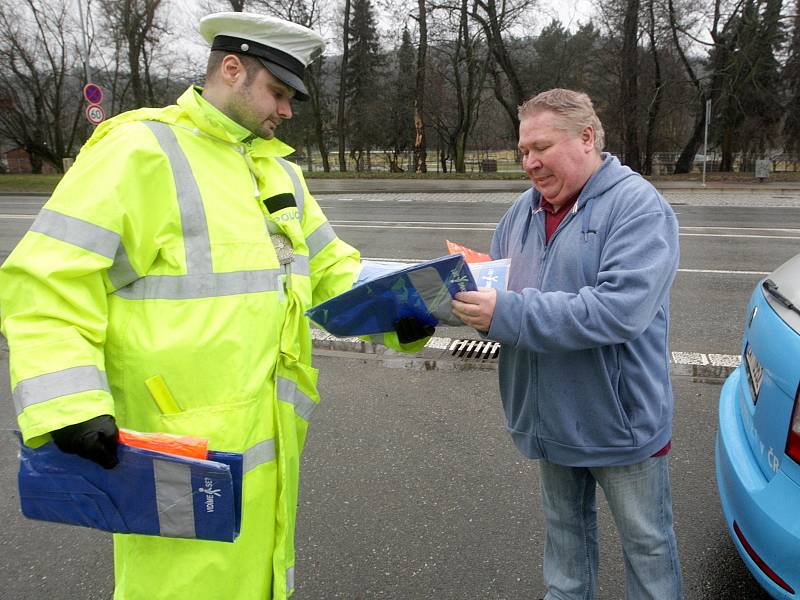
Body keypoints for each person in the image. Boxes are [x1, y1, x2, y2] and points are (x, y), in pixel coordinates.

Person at [0, 12, 430, 600]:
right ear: (232, 69)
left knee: (261, 578)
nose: (288, 111)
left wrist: (398, 313)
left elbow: (331, 270)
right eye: (278, 93)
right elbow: (47, 281)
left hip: (269, 445)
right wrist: (69, 405)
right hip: (175, 455)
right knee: (178, 586)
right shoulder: (140, 149)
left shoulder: (276, 169)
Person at [452, 89, 682, 600]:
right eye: (523, 152)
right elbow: (503, 295)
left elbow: (618, 310)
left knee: (647, 548)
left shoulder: (638, 206)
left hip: (619, 423)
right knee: (564, 542)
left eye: (541, 147)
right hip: (548, 416)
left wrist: (505, 312)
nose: (529, 163)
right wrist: (460, 303)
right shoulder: (522, 212)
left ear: (586, 137)